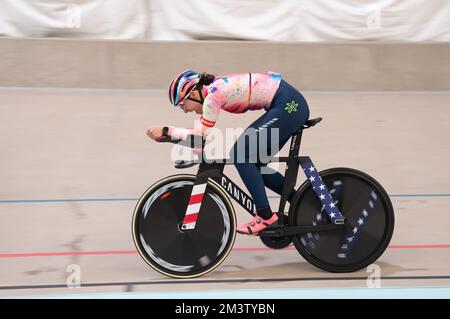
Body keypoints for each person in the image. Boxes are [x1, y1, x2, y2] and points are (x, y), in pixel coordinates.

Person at [147, 70, 310, 235]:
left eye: (182, 104)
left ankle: (265, 215)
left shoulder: (213, 97)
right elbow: (200, 139)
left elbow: (199, 135)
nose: (184, 110)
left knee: (240, 154)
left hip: (289, 106)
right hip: (285, 104)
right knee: (255, 164)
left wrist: (166, 130)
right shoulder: (213, 91)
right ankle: (303, 205)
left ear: (194, 92)